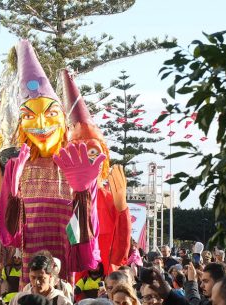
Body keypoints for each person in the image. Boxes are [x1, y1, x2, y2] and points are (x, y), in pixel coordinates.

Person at [0, 40, 104, 285]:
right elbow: (9, 234)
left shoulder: (76, 165)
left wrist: (82, 192)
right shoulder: (18, 166)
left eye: (51, 114)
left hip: (63, 265)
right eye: (28, 116)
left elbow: (85, 234)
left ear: (63, 120)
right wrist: (10, 190)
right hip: (28, 268)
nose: (41, 124)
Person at [63, 69, 131, 276]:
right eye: (77, 150)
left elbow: (120, 253)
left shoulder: (108, 198)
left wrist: (122, 209)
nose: (86, 160)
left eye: (92, 152)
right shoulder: (60, 197)